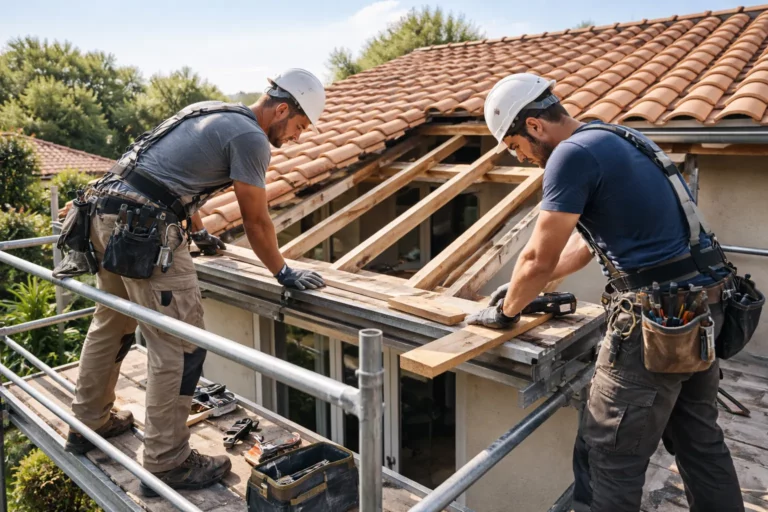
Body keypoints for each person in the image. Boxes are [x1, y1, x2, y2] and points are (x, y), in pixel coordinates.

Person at [469, 72, 744, 512]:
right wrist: (519, 293)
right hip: (704, 311)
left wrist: (505, 314)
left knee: (610, 458)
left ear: (535, 126)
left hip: (657, 326)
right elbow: (580, 249)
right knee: (700, 443)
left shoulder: (569, 157)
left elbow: (536, 258)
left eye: (516, 148)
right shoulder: (618, 137)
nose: (522, 160)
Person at [63, 68, 327, 495]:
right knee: (181, 345)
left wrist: (199, 231)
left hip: (104, 214)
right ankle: (167, 462)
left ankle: (87, 422)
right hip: (144, 230)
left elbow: (172, 181)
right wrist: (283, 271)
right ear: (281, 109)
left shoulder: (208, 110)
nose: (296, 137)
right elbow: (256, 219)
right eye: (298, 126)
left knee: (111, 321)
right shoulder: (252, 139)